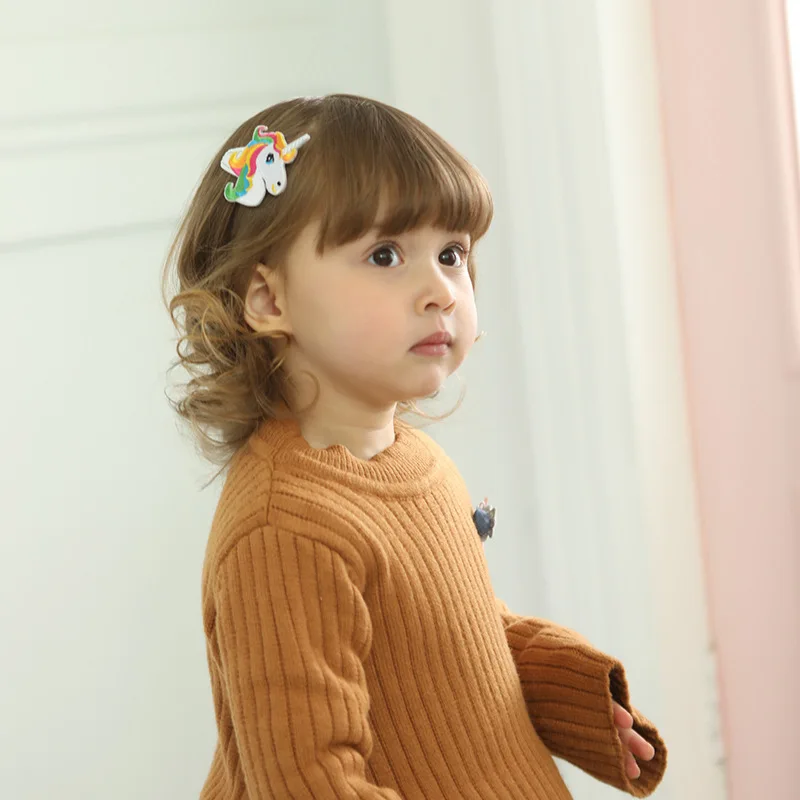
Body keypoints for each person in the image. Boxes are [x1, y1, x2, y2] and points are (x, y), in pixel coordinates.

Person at [162, 93, 667, 799]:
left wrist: (578, 699)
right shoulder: (284, 530)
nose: (441, 291)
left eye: (452, 254)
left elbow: (455, 638)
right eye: (386, 254)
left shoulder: (416, 462)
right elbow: (312, 780)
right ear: (269, 300)